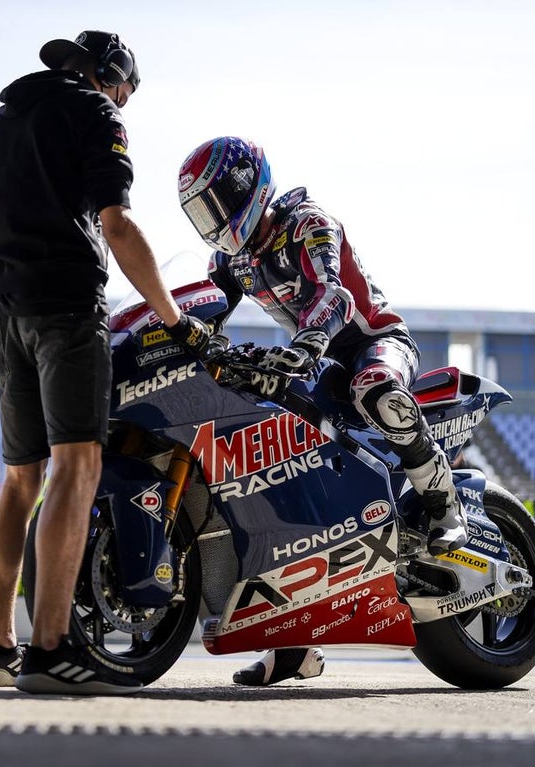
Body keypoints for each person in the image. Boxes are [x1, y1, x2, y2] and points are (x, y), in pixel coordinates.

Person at [0, 29, 210, 695]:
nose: (123, 102)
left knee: (21, 481)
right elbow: (118, 226)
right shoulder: (93, 113)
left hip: (6, 316)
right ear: (108, 74)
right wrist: (172, 316)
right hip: (67, 312)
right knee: (78, 465)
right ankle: (50, 651)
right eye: (125, 90)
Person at [176, 135, 470, 686]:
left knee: (376, 386)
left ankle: (444, 507)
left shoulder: (308, 223)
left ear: (247, 187)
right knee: (275, 450)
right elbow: (209, 312)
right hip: (315, 361)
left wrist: (309, 342)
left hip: (371, 341)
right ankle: (294, 648)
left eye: (215, 204)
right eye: (202, 211)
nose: (211, 220)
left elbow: (333, 295)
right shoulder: (232, 260)